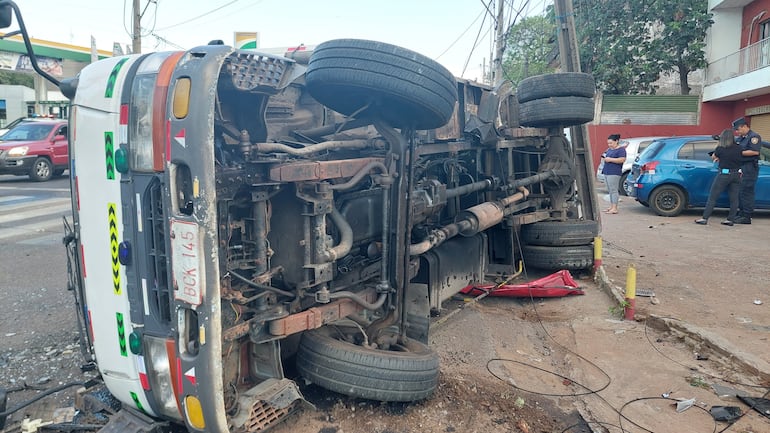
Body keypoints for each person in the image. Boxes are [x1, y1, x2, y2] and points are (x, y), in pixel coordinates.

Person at [694, 129, 742, 226]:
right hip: (736, 174)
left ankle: (704, 218)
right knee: (734, 199)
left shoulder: (720, 148)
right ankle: (730, 220)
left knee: (713, 197)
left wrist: (718, 155)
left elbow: (714, 157)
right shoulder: (739, 148)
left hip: (724, 174)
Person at [732, 117, 761, 224]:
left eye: (738, 129)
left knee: (746, 191)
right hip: (741, 166)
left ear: (744, 126)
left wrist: (738, 153)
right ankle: (741, 213)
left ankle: (747, 216)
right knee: (740, 191)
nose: (737, 131)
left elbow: (755, 152)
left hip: (749, 167)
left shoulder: (754, 137)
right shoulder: (741, 138)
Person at [601, 133, 625, 214]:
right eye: (608, 143)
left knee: (613, 190)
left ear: (616, 141)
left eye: (611, 143)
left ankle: (614, 208)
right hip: (607, 171)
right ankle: (611, 206)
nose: (609, 145)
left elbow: (622, 159)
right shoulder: (609, 149)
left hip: (614, 172)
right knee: (610, 190)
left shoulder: (621, 150)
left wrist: (610, 159)